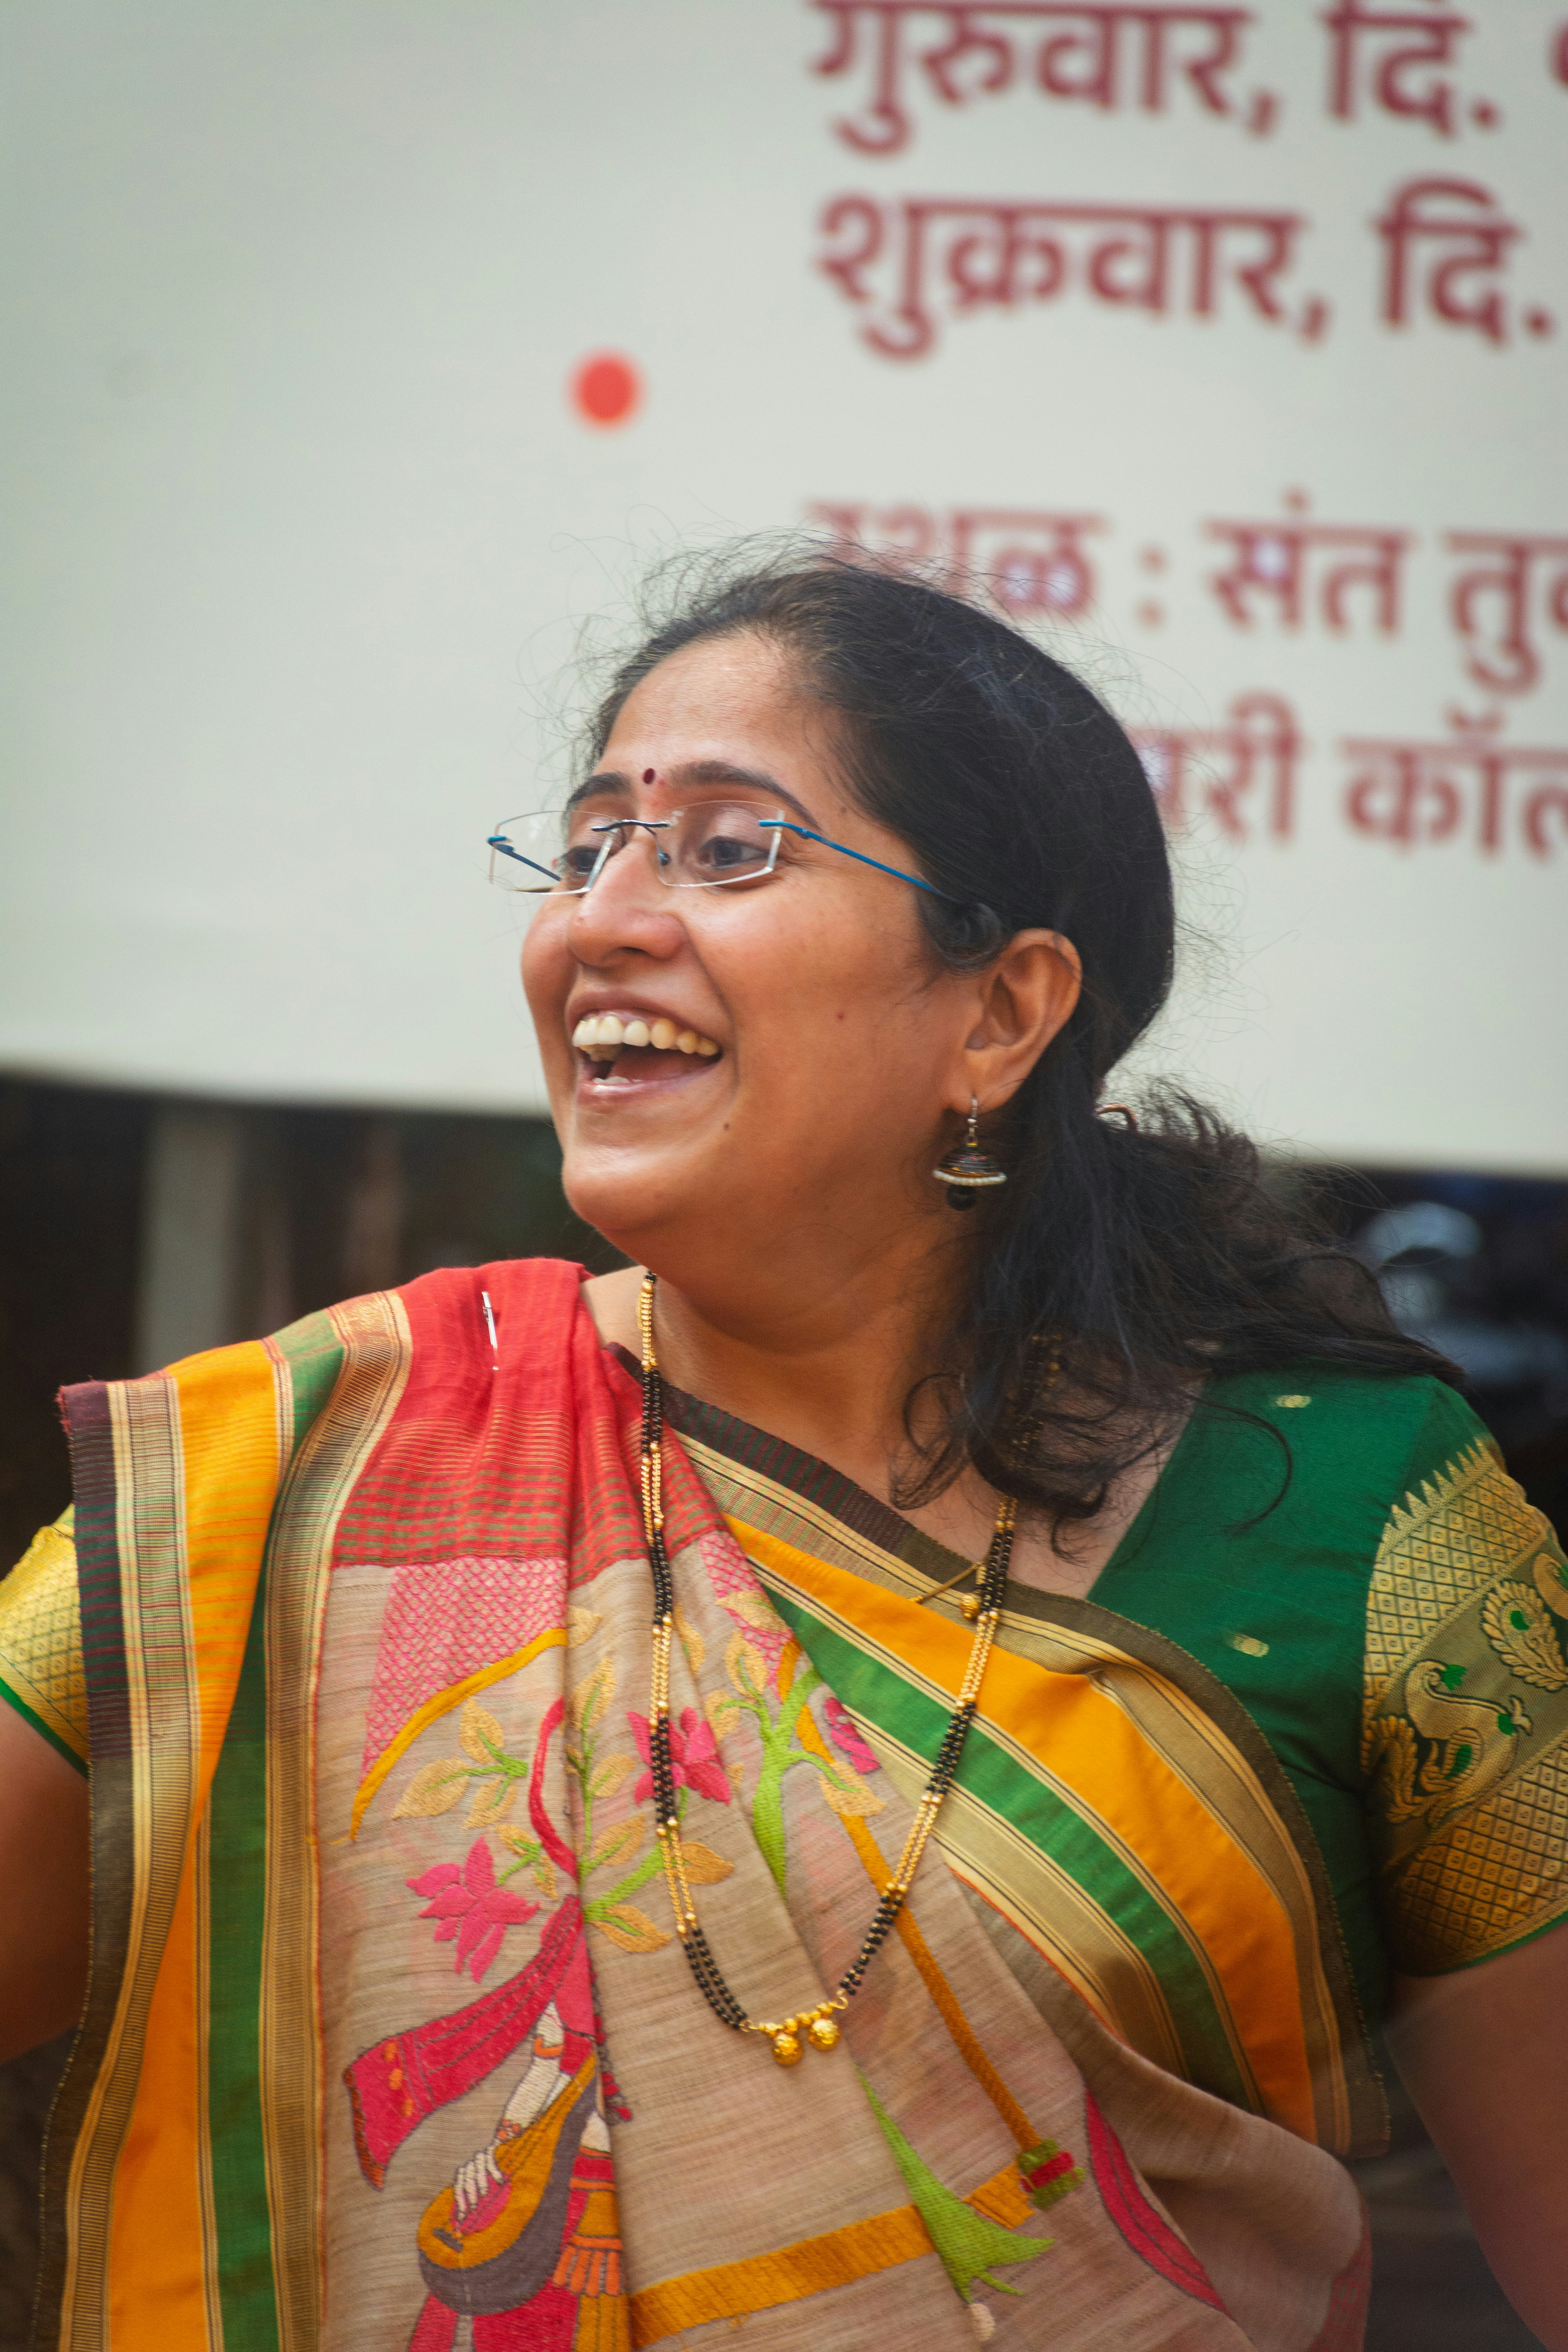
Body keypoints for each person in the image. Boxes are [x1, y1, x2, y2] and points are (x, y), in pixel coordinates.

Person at [2, 556, 1565, 2352]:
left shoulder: (1357, 1522)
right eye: (590, 844)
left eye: (726, 848)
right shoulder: (313, 1472)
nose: (603, 917)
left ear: (997, 1011)